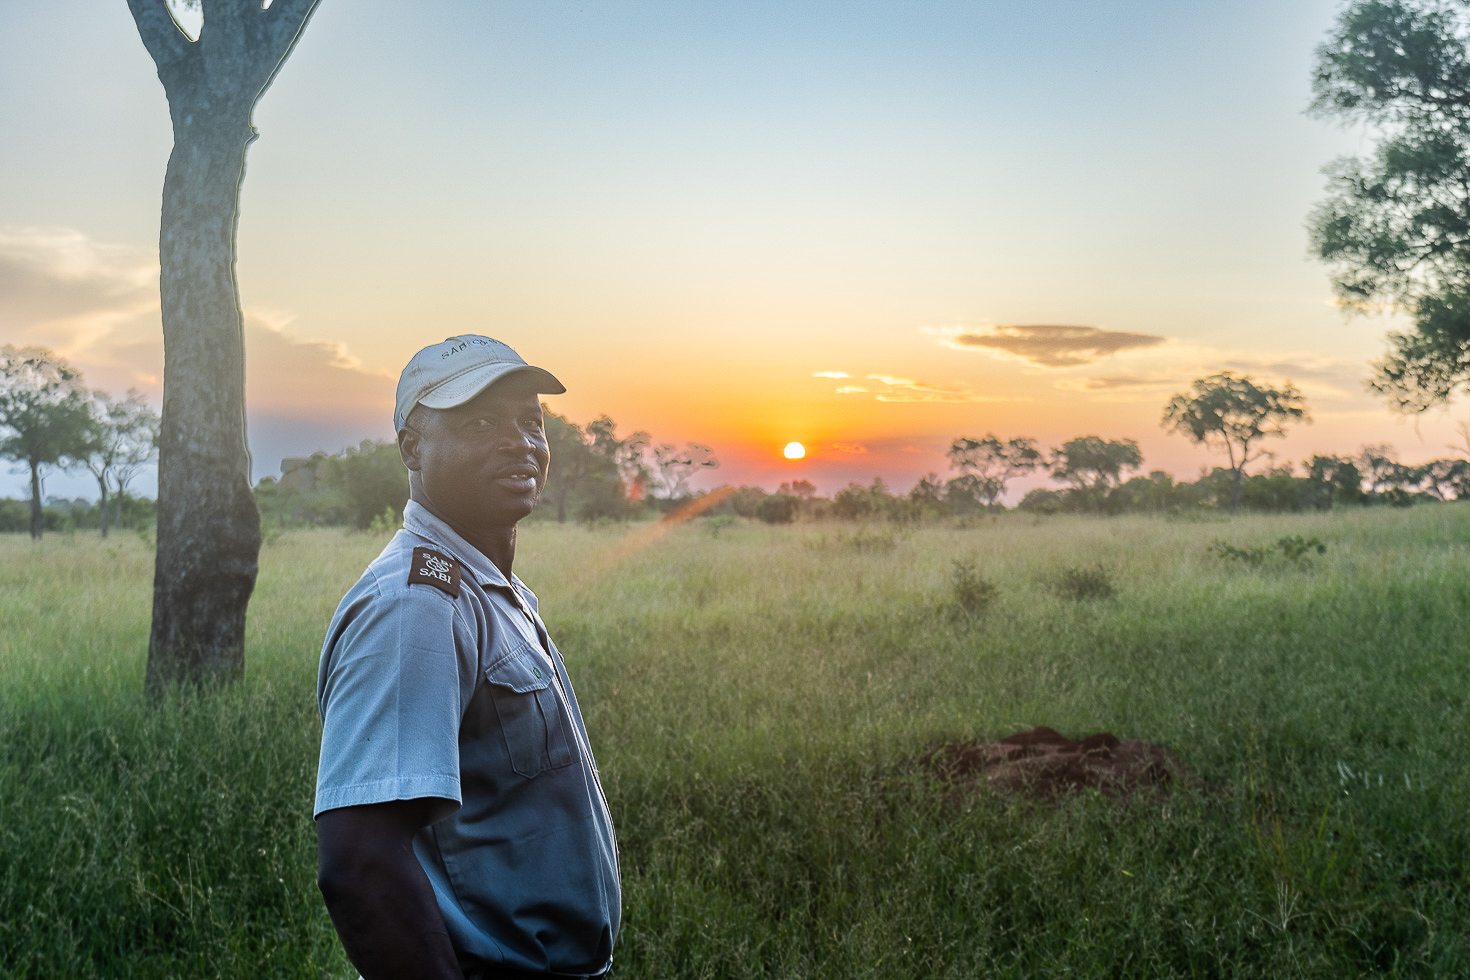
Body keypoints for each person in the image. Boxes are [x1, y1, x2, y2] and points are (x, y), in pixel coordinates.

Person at [314, 335, 620, 980]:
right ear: (412, 448)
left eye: (530, 421)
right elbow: (361, 862)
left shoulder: (485, 587)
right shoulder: (418, 606)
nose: (520, 443)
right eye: (480, 422)